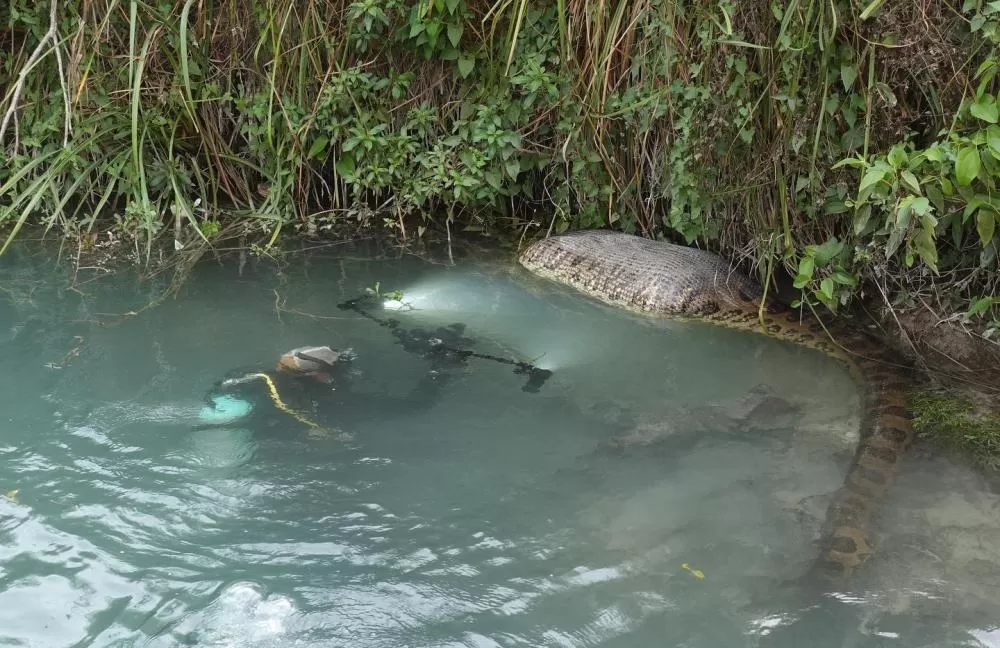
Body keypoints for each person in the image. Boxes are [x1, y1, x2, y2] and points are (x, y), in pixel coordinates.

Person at [196, 344, 454, 435]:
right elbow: (288, 407)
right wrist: (324, 431)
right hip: (256, 424)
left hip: (236, 411)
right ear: (318, 375)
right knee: (414, 407)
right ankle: (443, 368)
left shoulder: (257, 373)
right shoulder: (281, 387)